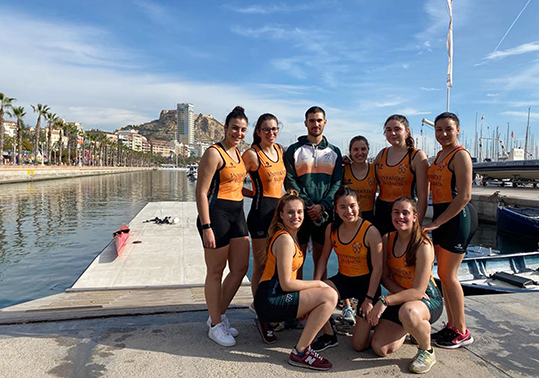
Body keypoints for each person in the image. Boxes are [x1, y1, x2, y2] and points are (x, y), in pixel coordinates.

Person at [254, 190, 338, 371]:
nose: (296, 216)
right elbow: (286, 283)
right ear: (281, 215)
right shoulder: (284, 239)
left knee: (322, 295)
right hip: (271, 298)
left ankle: (271, 323)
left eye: (299, 212)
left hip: (271, 295)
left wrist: (306, 300)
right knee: (328, 296)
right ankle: (301, 352)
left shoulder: (289, 235)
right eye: (290, 212)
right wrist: (318, 283)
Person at [368, 198, 443, 374]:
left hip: (428, 299)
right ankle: (412, 329)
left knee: (408, 312)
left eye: (405, 213)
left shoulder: (423, 245)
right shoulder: (387, 238)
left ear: (415, 217)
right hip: (402, 297)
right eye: (396, 212)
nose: (400, 216)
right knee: (380, 348)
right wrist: (403, 295)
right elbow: (384, 277)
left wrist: (385, 301)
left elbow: (418, 291)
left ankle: (427, 350)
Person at [195, 106, 250, 347]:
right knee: (216, 272)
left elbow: (237, 185)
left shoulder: (239, 154)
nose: (238, 133)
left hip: (237, 214)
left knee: (239, 268)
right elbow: (201, 192)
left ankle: (217, 315)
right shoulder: (214, 153)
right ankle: (215, 325)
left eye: (243, 129)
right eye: (235, 128)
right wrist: (206, 226)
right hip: (216, 216)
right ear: (225, 128)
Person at [424, 112, 478, 349]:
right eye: (438, 130)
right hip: (442, 216)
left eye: (448, 129)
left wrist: (437, 222)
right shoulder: (439, 155)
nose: (443, 134)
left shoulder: (461, 155)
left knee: (449, 275)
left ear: (458, 130)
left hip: (457, 217)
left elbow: (465, 196)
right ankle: (452, 325)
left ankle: (462, 330)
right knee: (443, 275)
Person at [312, 186, 383, 352]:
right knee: (315, 295)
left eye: (352, 206)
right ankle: (329, 336)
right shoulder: (332, 228)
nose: (348, 211)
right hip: (344, 279)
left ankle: (378, 320)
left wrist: (369, 299)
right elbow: (323, 258)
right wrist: (315, 283)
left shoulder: (370, 231)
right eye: (342, 207)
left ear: (359, 205)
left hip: (367, 285)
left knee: (358, 345)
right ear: (335, 209)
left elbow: (378, 270)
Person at [284, 106, 343, 278]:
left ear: (325, 122)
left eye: (319, 120)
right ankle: (297, 297)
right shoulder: (294, 150)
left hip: (323, 215)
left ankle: (319, 297)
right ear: (305, 123)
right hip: (300, 213)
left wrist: (323, 206)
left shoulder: (334, 152)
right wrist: (308, 205)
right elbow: (290, 181)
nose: (315, 124)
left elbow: (337, 183)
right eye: (312, 120)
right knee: (297, 258)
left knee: (321, 259)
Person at [242, 113, 286, 298]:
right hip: (261, 214)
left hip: (279, 214)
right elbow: (234, 182)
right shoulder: (252, 154)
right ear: (258, 131)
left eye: (274, 128)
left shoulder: (280, 150)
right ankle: (258, 305)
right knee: (260, 263)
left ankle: (273, 301)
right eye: (266, 129)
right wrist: (253, 194)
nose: (271, 132)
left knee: (276, 261)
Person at [374, 115, 429, 237]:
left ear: (407, 131)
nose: (392, 133)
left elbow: (423, 195)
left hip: (404, 213)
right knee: (381, 252)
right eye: (388, 130)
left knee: (401, 253)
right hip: (381, 211)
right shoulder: (383, 153)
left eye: (397, 129)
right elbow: (364, 171)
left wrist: (417, 226)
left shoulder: (417, 156)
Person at [343, 136, 377, 223]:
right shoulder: (344, 170)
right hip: (348, 216)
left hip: (369, 217)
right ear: (350, 151)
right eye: (355, 149)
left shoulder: (375, 169)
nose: (360, 153)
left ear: (368, 150)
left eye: (363, 149)